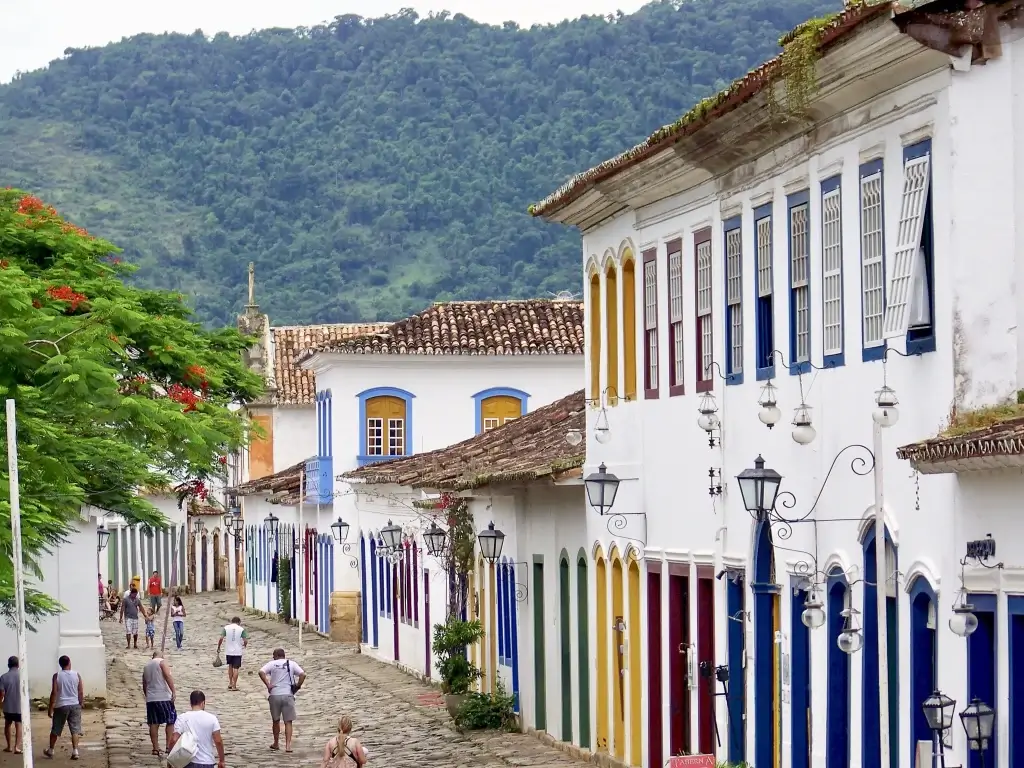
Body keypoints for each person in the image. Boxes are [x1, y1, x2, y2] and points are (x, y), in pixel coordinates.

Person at [258, 648, 305, 753]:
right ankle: (288, 746)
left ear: (275, 656)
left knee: (276, 720)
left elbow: (261, 672)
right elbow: (303, 674)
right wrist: (298, 685)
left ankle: (276, 743)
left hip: (275, 694)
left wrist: (268, 684)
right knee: (288, 721)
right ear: (284, 655)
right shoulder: (291, 663)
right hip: (288, 694)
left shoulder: (272, 664)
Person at [169, 690, 225, 768]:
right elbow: (218, 741)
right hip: (207, 761)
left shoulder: (182, 718)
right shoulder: (212, 718)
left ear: (190, 703)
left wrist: (171, 759)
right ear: (203, 703)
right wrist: (222, 760)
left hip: (187, 761)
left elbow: (173, 740)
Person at [44, 655, 83, 760]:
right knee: (75, 729)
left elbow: (54, 692)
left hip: (61, 705)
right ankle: (75, 751)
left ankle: (51, 750)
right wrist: (81, 702)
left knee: (56, 729)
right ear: (69, 662)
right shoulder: (77, 675)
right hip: (74, 704)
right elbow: (80, 691)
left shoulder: (57, 676)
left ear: (60, 664)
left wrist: (50, 707)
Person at [142, 652, 176, 756]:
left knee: (153, 723)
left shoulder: (146, 666)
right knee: (170, 721)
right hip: (164, 697)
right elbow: (167, 676)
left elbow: (144, 683)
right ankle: (168, 746)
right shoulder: (162, 662)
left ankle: (155, 748)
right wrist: (173, 691)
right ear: (162, 656)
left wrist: (147, 696)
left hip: (151, 698)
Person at [216, 617, 248, 691]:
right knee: (236, 668)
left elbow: (221, 638)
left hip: (228, 651)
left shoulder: (226, 628)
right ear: (239, 622)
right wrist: (245, 645)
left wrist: (219, 646)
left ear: (231, 621)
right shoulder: (241, 629)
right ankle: (234, 685)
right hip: (237, 651)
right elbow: (245, 640)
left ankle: (230, 683)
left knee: (230, 666)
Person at [0, 656, 22, 754]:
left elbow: (2, 694)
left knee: (7, 725)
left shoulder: (3, 677)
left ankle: (9, 746)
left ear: (8, 664)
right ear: (18, 664)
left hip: (8, 706)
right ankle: (17, 747)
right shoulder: (22, 675)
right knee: (19, 725)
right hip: (20, 706)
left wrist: (0, 705)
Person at [119, 585, 143, 649]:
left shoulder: (137, 600)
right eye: (134, 594)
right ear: (131, 593)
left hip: (135, 617)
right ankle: (128, 644)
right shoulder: (125, 600)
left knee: (135, 632)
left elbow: (141, 608)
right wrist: (121, 618)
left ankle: (135, 644)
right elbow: (122, 609)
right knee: (128, 631)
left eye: (136, 594)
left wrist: (145, 615)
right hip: (128, 617)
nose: (135, 596)